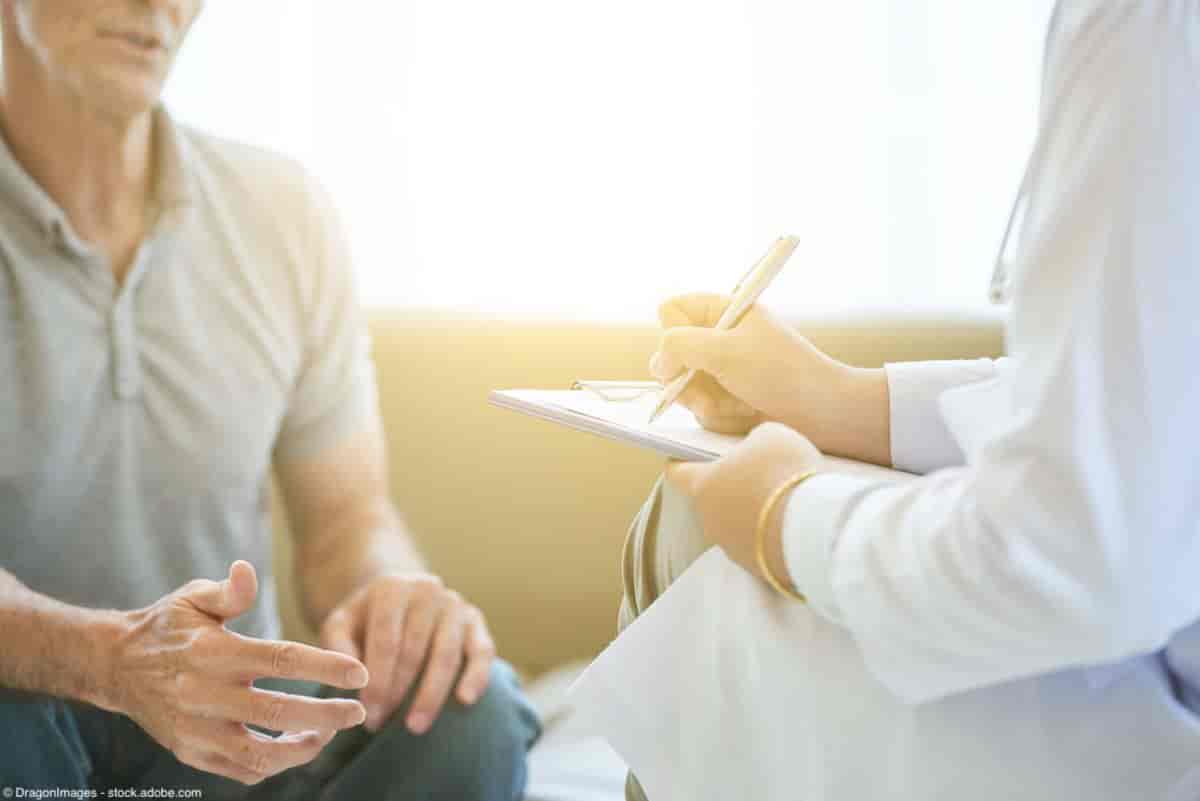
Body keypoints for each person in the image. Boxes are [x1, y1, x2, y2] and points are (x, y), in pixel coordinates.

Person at [619, 1, 1200, 799]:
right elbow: (1150, 392)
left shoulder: (1149, 26)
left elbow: (1072, 557)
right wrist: (844, 400)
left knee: (688, 537)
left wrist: (784, 518)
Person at [0, 1, 540, 797]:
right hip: (21, 732)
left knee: (472, 713)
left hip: (231, 743)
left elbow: (346, 528)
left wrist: (396, 602)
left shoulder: (283, 215)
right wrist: (113, 662)